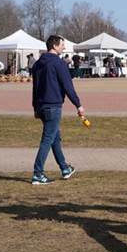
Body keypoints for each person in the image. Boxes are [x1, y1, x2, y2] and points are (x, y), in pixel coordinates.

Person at [31, 35, 84, 185]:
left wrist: (35, 106)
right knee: (47, 139)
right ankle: (38, 174)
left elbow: (35, 88)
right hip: (52, 105)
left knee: (54, 138)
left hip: (41, 105)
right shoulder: (59, 64)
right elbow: (68, 86)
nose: (64, 47)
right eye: (62, 44)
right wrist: (78, 105)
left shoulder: (37, 64)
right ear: (54, 46)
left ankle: (65, 168)